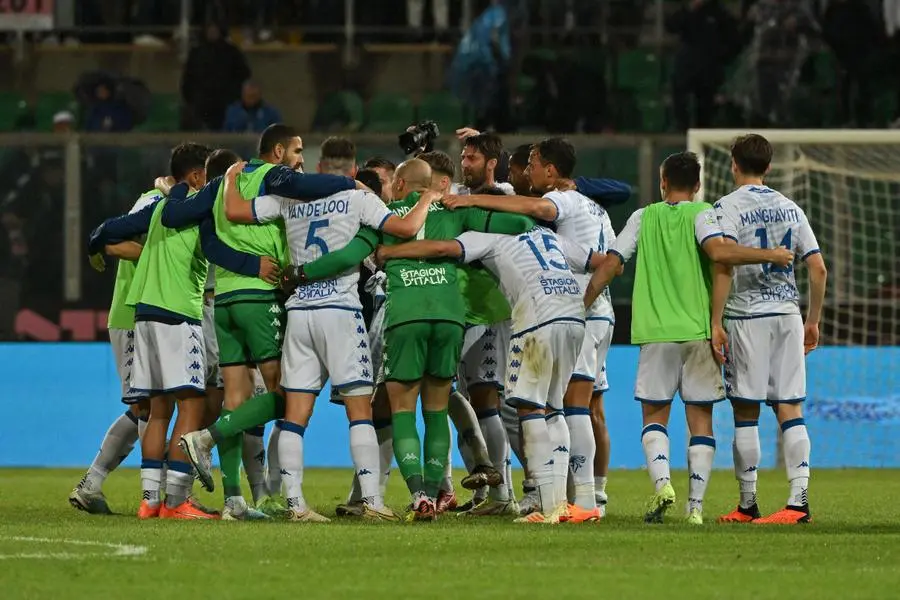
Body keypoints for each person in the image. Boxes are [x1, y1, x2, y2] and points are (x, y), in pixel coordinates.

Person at [285, 158, 534, 520]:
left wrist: (300, 273)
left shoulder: (384, 214)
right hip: (449, 316)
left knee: (401, 411)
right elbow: (521, 223)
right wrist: (470, 203)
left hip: (405, 318)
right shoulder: (452, 211)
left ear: (400, 184)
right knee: (436, 409)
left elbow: (353, 253)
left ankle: (419, 495)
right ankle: (437, 492)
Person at [214, 137, 433, 522]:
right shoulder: (357, 196)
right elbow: (406, 226)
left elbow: (234, 212)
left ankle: (296, 504)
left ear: (317, 169)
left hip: (300, 312)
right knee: (359, 410)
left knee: (294, 414)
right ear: (352, 171)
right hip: (340, 311)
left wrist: (231, 179)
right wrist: (429, 198)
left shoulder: (292, 199)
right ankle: (371, 501)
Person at [583, 151, 793, 525]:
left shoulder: (642, 217)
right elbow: (719, 252)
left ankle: (663, 485)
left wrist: (582, 303)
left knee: (654, 418)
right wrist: (770, 255)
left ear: (663, 182)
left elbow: (612, 263)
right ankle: (695, 507)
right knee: (701, 422)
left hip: (656, 334)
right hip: (700, 332)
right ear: (697, 186)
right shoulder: (704, 214)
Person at [168, 125, 363, 519]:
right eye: (296, 151)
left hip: (224, 301)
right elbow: (307, 188)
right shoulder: (272, 176)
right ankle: (206, 439)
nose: (299, 160)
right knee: (286, 394)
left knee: (234, 399)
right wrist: (349, 184)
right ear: (278, 151)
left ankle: (233, 500)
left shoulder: (223, 184)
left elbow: (198, 233)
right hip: (260, 297)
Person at [374, 218, 614, 523]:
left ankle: (549, 507)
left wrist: (391, 252)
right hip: (574, 317)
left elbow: (441, 247)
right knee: (556, 408)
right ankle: (571, 503)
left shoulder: (488, 237)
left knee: (530, 410)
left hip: (537, 320)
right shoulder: (549, 237)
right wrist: (584, 299)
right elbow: (608, 262)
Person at [86, 143, 265, 519]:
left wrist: (95, 238)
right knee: (193, 405)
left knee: (157, 409)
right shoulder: (203, 209)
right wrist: (255, 266)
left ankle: (150, 501)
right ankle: (176, 500)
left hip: (144, 315)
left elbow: (114, 228)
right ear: (200, 177)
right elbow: (217, 251)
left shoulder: (159, 206)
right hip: (178, 314)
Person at [711, 134, 826, 525]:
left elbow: (723, 262)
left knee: (746, 412)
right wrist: (812, 320)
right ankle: (798, 501)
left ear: (733, 164)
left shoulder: (725, 207)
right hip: (789, 315)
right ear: (770, 166)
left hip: (747, 317)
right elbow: (818, 267)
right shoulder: (790, 208)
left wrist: (716, 321)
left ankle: (748, 503)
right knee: (790, 408)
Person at [68, 184, 161, 515]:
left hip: (148, 313)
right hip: (132, 313)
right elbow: (113, 243)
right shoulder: (154, 201)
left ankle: (94, 484)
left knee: (148, 405)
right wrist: (159, 252)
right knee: (145, 406)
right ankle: (147, 493)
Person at [181, 22, 250, 130]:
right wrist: (191, 97)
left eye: (214, 30)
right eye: (209, 30)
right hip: (201, 101)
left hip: (225, 101)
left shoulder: (231, 52)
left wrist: (234, 94)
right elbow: (188, 77)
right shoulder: (197, 52)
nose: (212, 33)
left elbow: (243, 74)